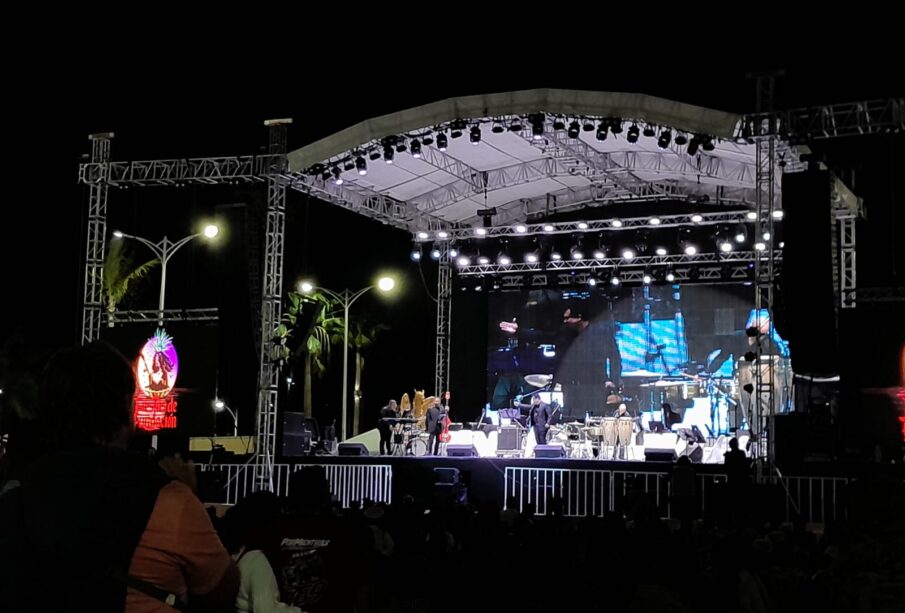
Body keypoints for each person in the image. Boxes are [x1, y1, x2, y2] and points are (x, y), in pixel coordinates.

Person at [1, 342, 239, 612]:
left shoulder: (16, 496)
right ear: (127, 405)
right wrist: (193, 501)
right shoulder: (167, 498)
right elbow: (221, 590)